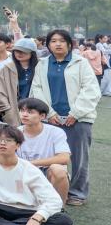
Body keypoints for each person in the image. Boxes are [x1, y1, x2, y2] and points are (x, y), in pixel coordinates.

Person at [30, 28, 100, 206]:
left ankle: (77, 193)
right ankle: (52, 190)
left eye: (62, 41)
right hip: (51, 118)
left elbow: (91, 89)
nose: (58, 44)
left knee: (79, 157)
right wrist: (49, 113)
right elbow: (37, 88)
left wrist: (76, 113)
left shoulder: (81, 62)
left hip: (78, 119)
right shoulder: (42, 64)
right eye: (53, 41)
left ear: (69, 44)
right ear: (48, 45)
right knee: (51, 156)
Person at [17, 98, 71, 203]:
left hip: (46, 171)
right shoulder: (15, 132)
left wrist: (31, 163)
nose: (24, 115)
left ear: (42, 116)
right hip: (22, 172)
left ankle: (58, 208)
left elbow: (64, 158)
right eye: (22, 111)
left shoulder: (55, 132)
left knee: (58, 170)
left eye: (30, 112)